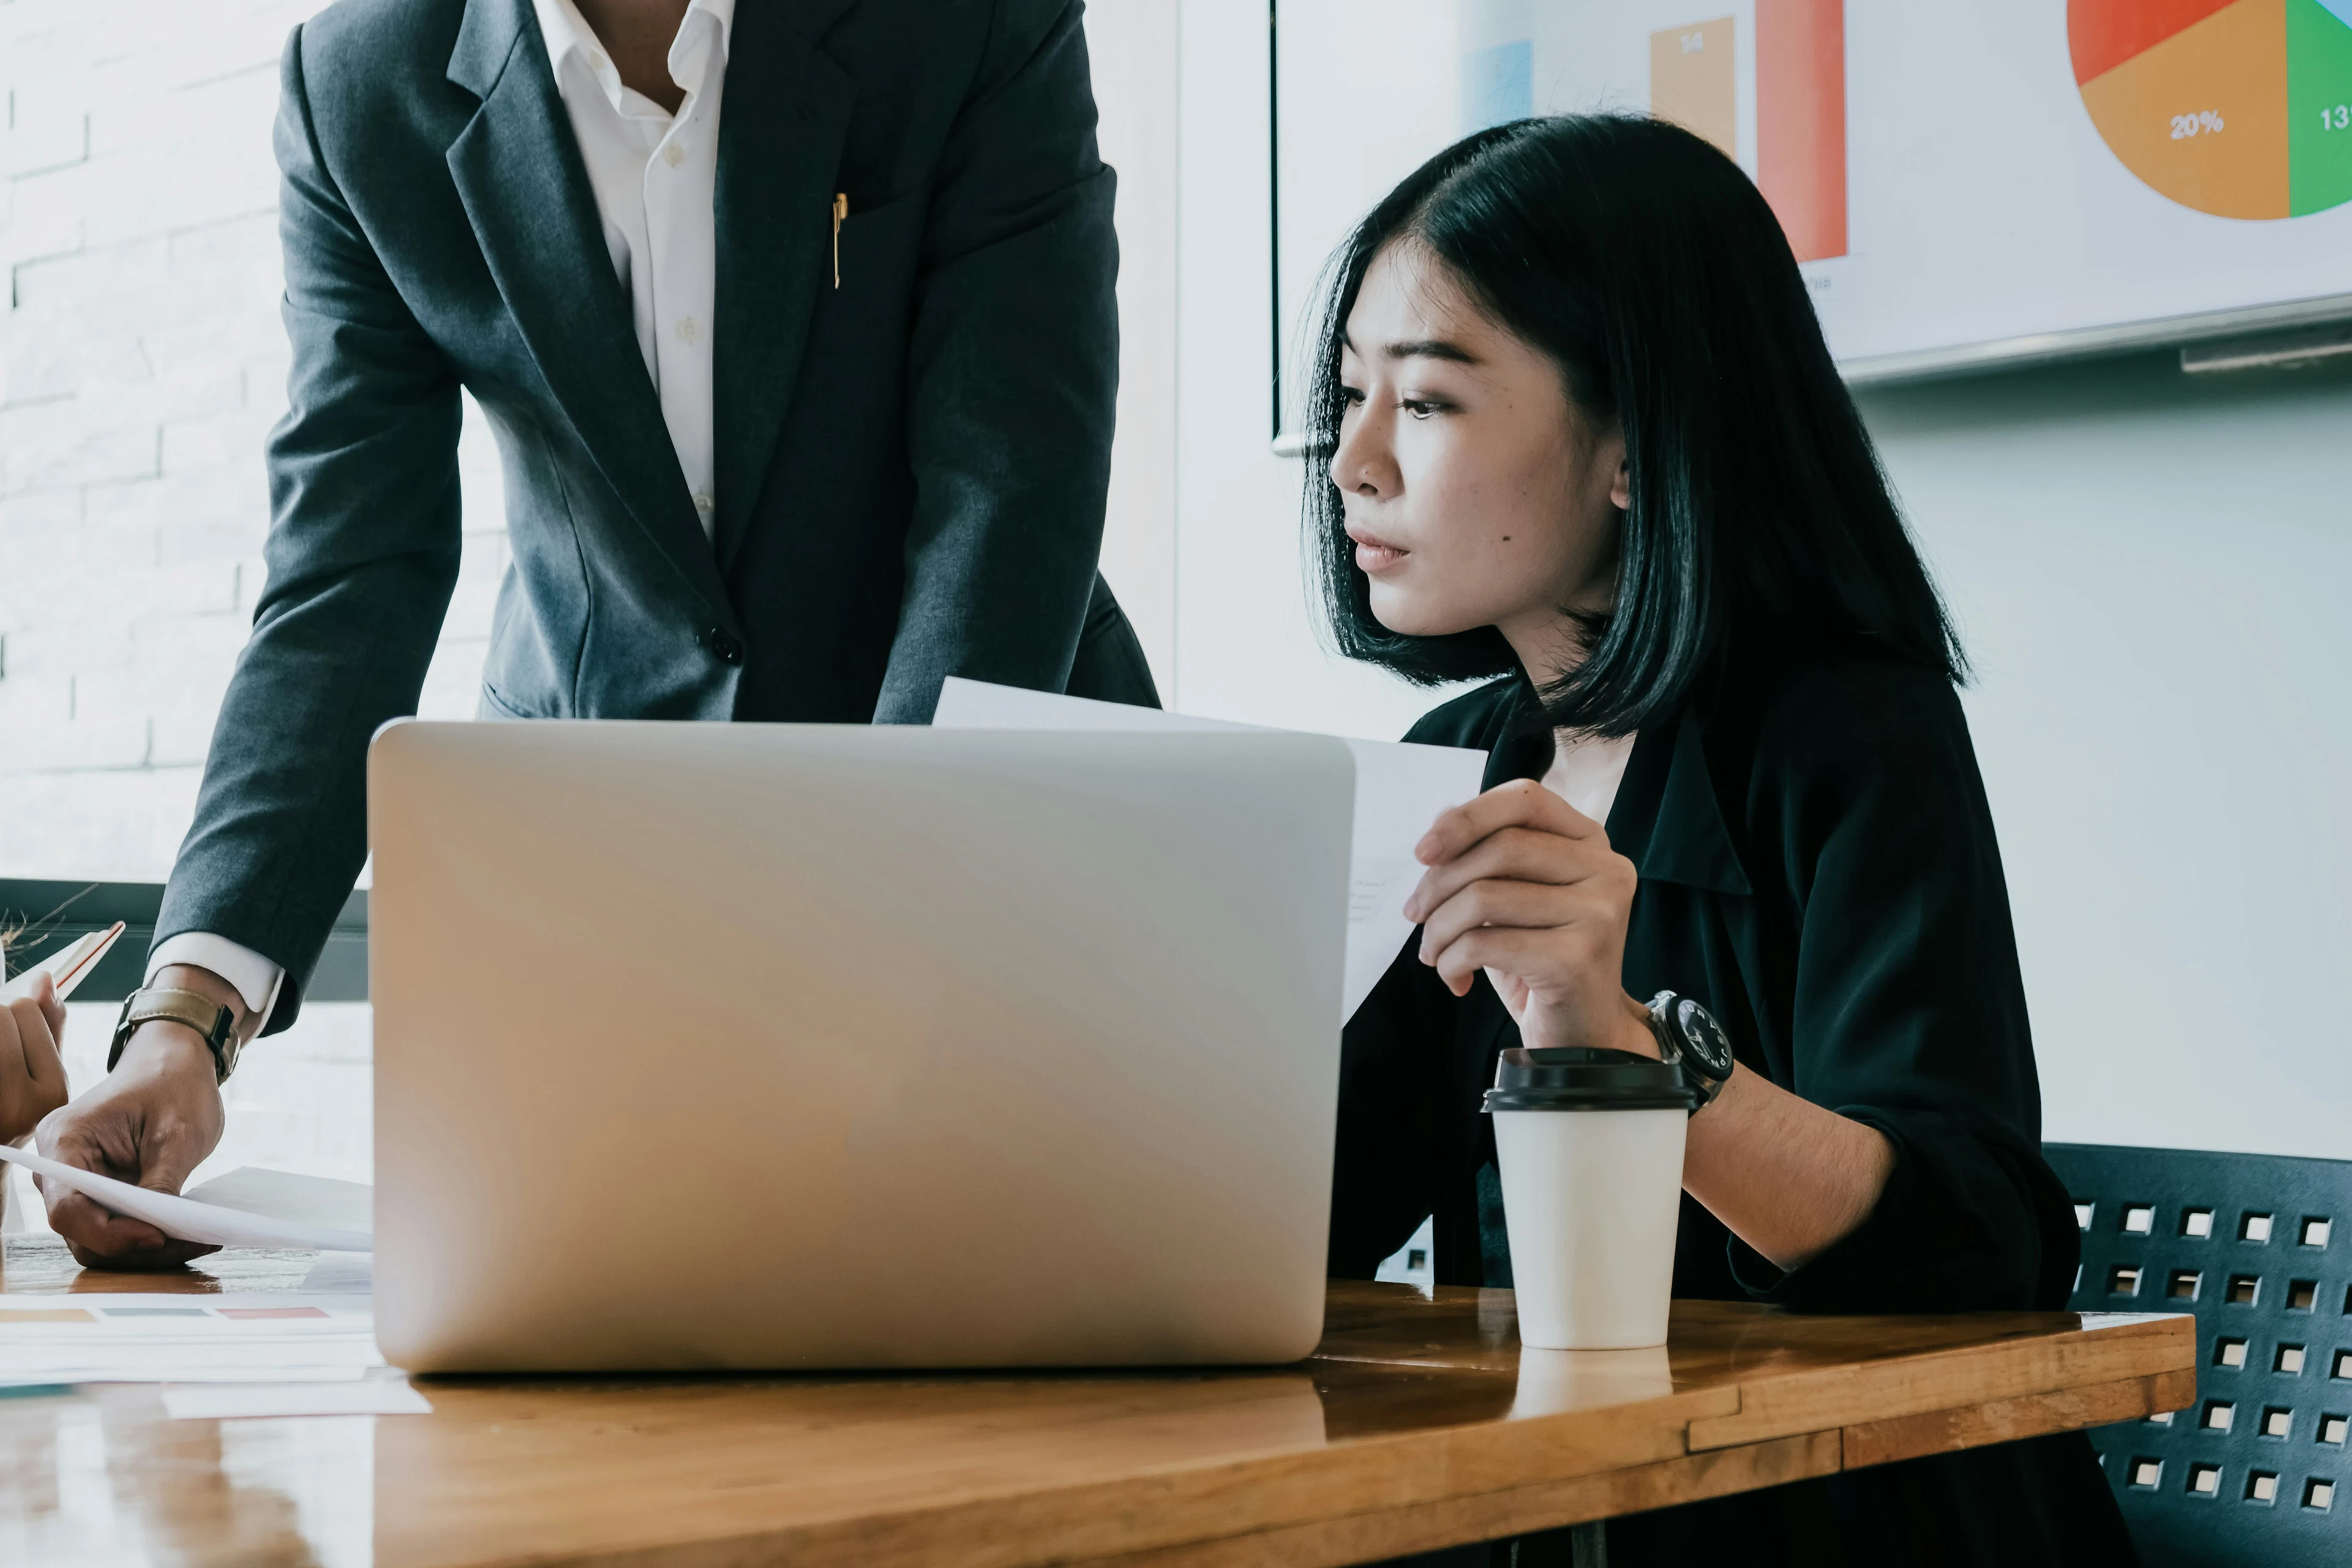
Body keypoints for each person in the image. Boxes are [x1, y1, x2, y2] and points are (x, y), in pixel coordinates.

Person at [36, 0, 1157, 1265]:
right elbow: (350, 569)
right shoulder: (363, 79)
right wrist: (185, 1020)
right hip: (610, 882)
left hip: (988, 808)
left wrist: (888, 913)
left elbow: (1008, 482)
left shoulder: (967, 19)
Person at [1317, 117, 2132, 1564]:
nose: (1353, 462)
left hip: (1850, 1527)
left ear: (1633, 448)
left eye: (1428, 404)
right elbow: (1322, 1214)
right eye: (1348, 397)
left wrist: (1625, 1042)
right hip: (1554, 1505)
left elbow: (1981, 1235)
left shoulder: (1848, 730)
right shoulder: (1455, 767)